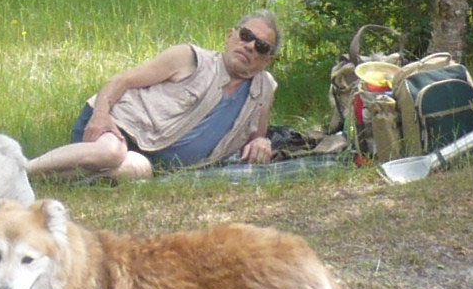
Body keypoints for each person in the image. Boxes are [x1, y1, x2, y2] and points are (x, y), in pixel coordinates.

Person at [21, 12, 284, 181]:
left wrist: (262, 142)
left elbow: (256, 136)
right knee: (111, 153)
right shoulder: (189, 58)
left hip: (148, 158)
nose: (249, 46)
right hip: (115, 126)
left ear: (267, 60)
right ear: (230, 36)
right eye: (246, 36)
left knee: (137, 171)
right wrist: (101, 116)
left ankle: (48, 180)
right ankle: (21, 170)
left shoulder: (263, 90)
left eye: (260, 47)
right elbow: (121, 80)